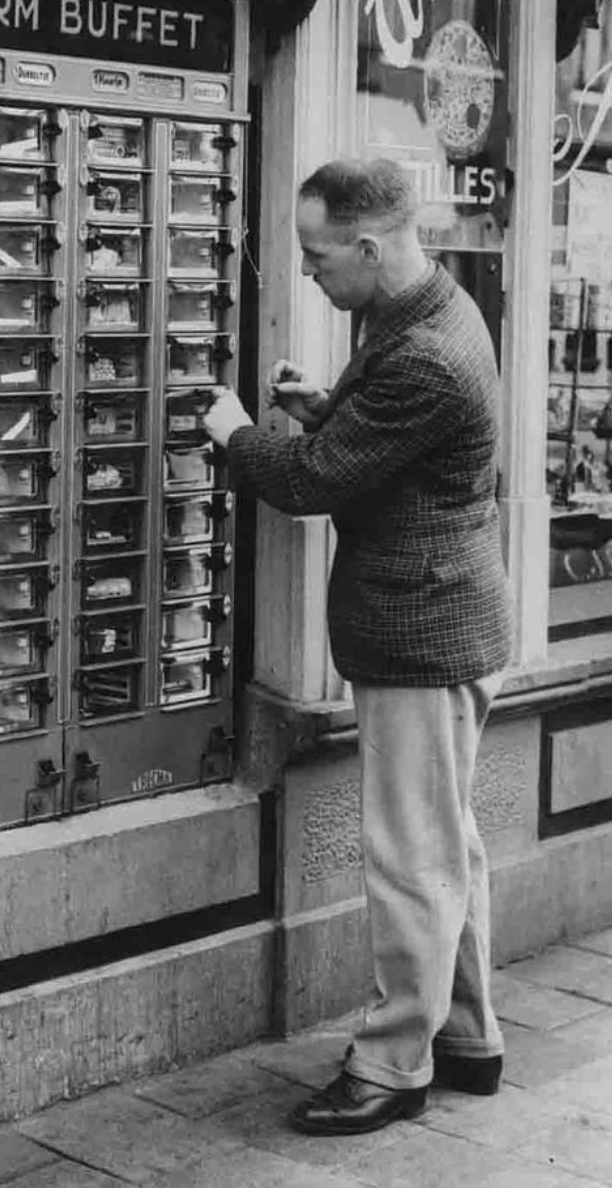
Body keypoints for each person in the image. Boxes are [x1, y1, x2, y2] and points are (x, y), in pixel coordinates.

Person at [203, 157, 511, 1137]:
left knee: (409, 858)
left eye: (317, 254)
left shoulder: (424, 353)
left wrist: (238, 431)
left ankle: (389, 1065)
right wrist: (326, 410)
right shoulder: (431, 309)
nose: (308, 275)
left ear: (370, 246)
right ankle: (464, 1035)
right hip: (447, 619)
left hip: (421, 634)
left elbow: (307, 483)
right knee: (445, 845)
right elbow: (385, 449)